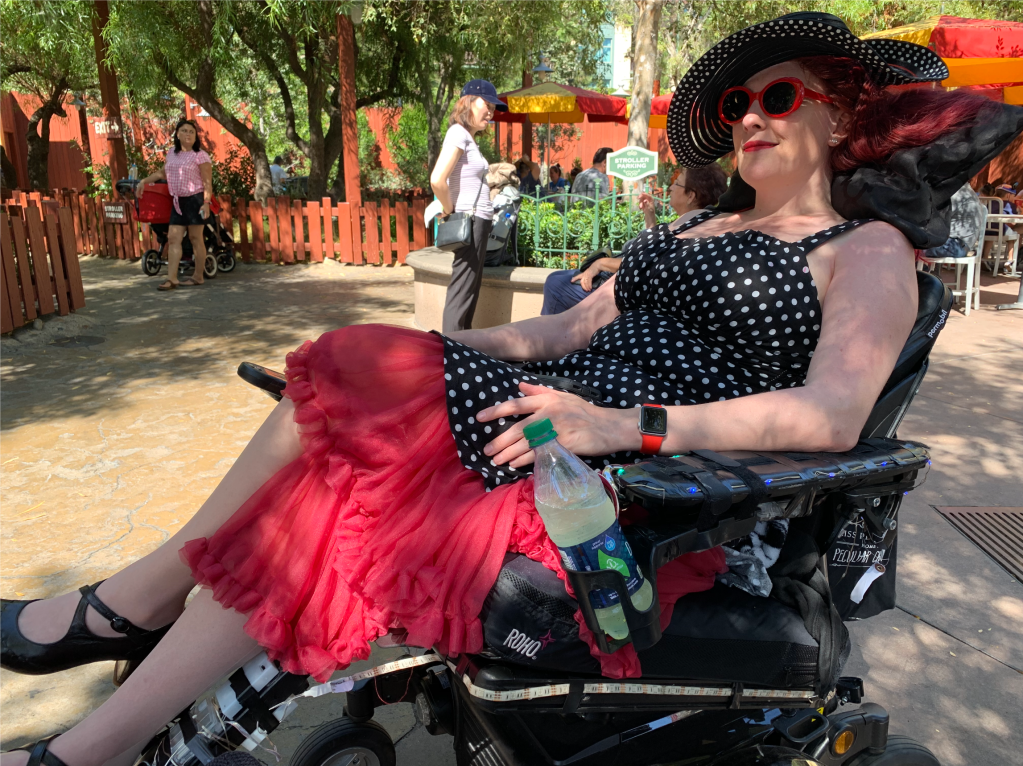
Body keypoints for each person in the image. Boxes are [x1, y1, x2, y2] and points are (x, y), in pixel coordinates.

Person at [5, 14, 1022, 766]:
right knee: (345, 380)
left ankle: (112, 649)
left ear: (847, 117)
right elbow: (564, 328)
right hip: (540, 429)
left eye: (780, 97)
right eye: (737, 104)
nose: (750, 117)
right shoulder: (690, 232)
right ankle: (102, 716)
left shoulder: (867, 250)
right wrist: (435, 357)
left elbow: (829, 416)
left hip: (640, 491)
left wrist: (621, 420)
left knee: (334, 476)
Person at [541, 163, 729, 315]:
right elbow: (656, 250)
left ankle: (551, 347)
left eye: (677, 183)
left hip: (628, 295)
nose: (671, 186)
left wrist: (601, 264)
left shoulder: (692, 231)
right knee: (557, 277)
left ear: (691, 196)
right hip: (628, 284)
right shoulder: (694, 222)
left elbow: (648, 265)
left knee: (555, 285)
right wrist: (650, 215)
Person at [429, 79, 509, 332]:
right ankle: (451, 351)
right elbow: (437, 179)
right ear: (467, 103)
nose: (491, 112)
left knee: (469, 288)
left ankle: (462, 346)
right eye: (486, 104)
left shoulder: (468, 138)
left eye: (493, 108)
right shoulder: (457, 133)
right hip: (470, 220)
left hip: (477, 221)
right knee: (463, 290)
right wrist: (449, 208)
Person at [137, 120, 213, 290]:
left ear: (195, 136)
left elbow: (207, 182)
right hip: (177, 201)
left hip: (196, 200)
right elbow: (163, 172)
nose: (188, 134)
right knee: (173, 239)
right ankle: (172, 279)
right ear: (177, 134)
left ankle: (198, 276)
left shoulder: (200, 155)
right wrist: (144, 181)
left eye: (191, 131)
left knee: (195, 239)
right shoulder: (172, 153)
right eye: (184, 131)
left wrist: (206, 203)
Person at [922, 181, 986, 260]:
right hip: (962, 246)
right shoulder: (966, 191)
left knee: (911, 244)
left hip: (955, 246)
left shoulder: (956, 192)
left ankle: (916, 269)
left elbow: (934, 217)